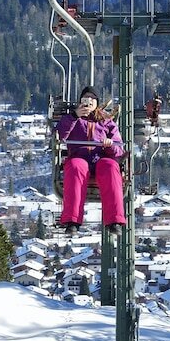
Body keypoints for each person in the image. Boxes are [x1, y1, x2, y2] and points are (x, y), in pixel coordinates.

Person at [57, 86, 127, 236]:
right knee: (76, 167)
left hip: (101, 157)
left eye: (92, 99)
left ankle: (115, 220)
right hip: (79, 157)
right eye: (85, 99)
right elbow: (61, 134)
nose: (88, 103)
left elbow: (118, 149)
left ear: (97, 102)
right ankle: (72, 220)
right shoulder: (72, 119)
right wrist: (75, 116)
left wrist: (109, 145)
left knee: (110, 166)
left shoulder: (106, 121)